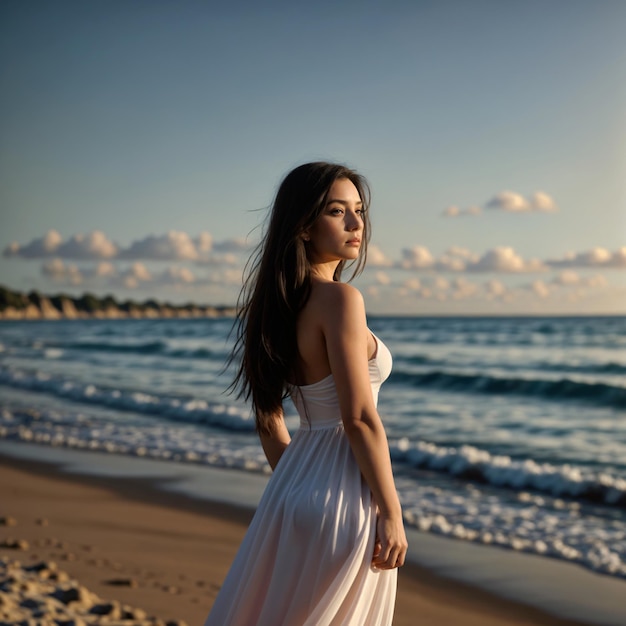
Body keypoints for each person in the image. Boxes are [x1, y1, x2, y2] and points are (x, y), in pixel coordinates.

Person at [204, 161, 407, 626]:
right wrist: (391, 512)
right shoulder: (340, 300)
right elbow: (358, 417)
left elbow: (268, 418)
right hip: (344, 496)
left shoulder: (275, 306)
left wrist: (297, 484)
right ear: (303, 225)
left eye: (359, 210)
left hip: (292, 488)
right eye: (339, 212)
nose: (357, 224)